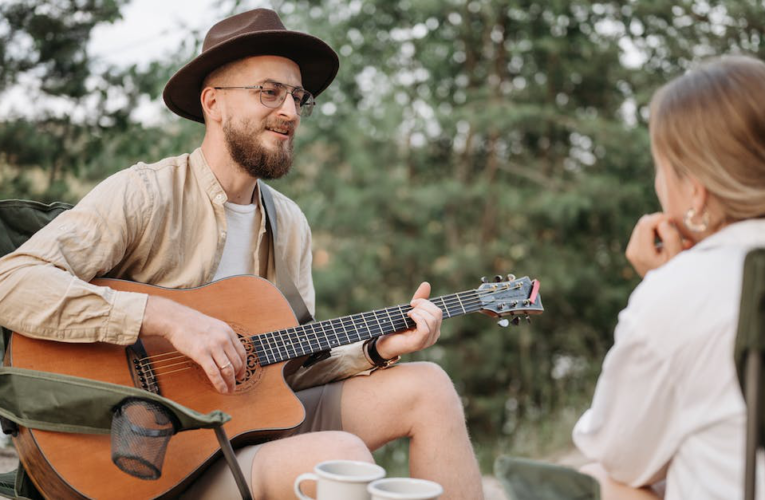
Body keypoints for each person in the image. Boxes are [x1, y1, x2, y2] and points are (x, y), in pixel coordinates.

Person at [0, 9, 482, 499]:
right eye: (269, 92)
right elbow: (11, 282)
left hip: (246, 429)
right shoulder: (145, 193)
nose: (290, 112)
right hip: (156, 454)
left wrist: (376, 349)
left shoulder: (288, 223)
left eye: (298, 97)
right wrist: (167, 318)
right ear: (214, 103)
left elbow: (287, 365)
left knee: (430, 387)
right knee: (339, 458)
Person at [572, 55, 765, 500]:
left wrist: (660, 285)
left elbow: (618, 452)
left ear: (695, 190)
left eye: (659, 167)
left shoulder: (681, 292)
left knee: (597, 479)